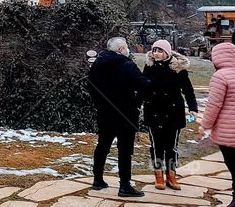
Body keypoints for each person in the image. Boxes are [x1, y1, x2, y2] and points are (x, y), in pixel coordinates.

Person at [88, 36, 152, 198]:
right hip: (126, 112)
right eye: (126, 47)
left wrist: (99, 104)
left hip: (104, 112)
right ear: (121, 49)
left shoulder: (97, 63)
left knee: (103, 145)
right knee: (125, 149)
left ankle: (98, 180)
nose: (128, 49)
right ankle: (124, 185)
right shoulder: (126, 64)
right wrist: (137, 102)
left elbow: (91, 87)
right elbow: (144, 84)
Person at [142, 39, 198, 190]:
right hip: (153, 111)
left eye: (160, 51)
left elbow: (188, 90)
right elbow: (142, 87)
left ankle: (171, 176)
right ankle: (158, 175)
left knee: (171, 146)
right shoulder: (149, 67)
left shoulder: (178, 68)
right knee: (156, 146)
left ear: (167, 52)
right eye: (154, 50)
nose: (156, 54)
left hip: (173, 112)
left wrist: (193, 107)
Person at [201, 40, 235, 207]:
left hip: (228, 131)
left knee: (233, 165)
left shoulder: (220, 76)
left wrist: (205, 125)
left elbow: (214, 105)